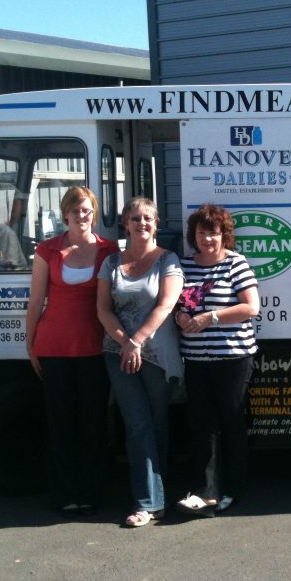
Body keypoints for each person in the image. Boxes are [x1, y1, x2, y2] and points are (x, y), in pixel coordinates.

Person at [26, 186, 117, 517]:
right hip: (54, 347)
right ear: (65, 214)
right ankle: (64, 494)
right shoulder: (47, 250)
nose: (82, 216)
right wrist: (31, 344)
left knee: (94, 424)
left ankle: (91, 493)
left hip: (95, 347)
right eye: (76, 210)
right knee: (60, 424)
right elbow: (36, 301)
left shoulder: (109, 250)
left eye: (88, 210)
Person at [97, 197, 184, 527]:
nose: (142, 223)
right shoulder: (111, 264)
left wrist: (137, 341)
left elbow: (165, 306)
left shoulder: (169, 261)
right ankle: (147, 503)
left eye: (148, 218)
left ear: (157, 223)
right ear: (125, 224)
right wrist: (125, 343)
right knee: (138, 424)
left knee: (157, 423)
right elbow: (102, 309)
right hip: (118, 354)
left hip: (158, 356)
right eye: (135, 218)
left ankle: (157, 492)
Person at [173, 204, 259, 518]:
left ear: (223, 234)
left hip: (233, 359)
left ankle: (233, 489)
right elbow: (178, 304)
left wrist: (209, 318)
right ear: (193, 235)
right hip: (196, 359)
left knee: (231, 424)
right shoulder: (184, 266)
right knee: (202, 427)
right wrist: (180, 315)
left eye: (213, 232)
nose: (208, 238)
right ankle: (205, 491)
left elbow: (251, 308)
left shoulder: (236, 264)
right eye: (202, 232)